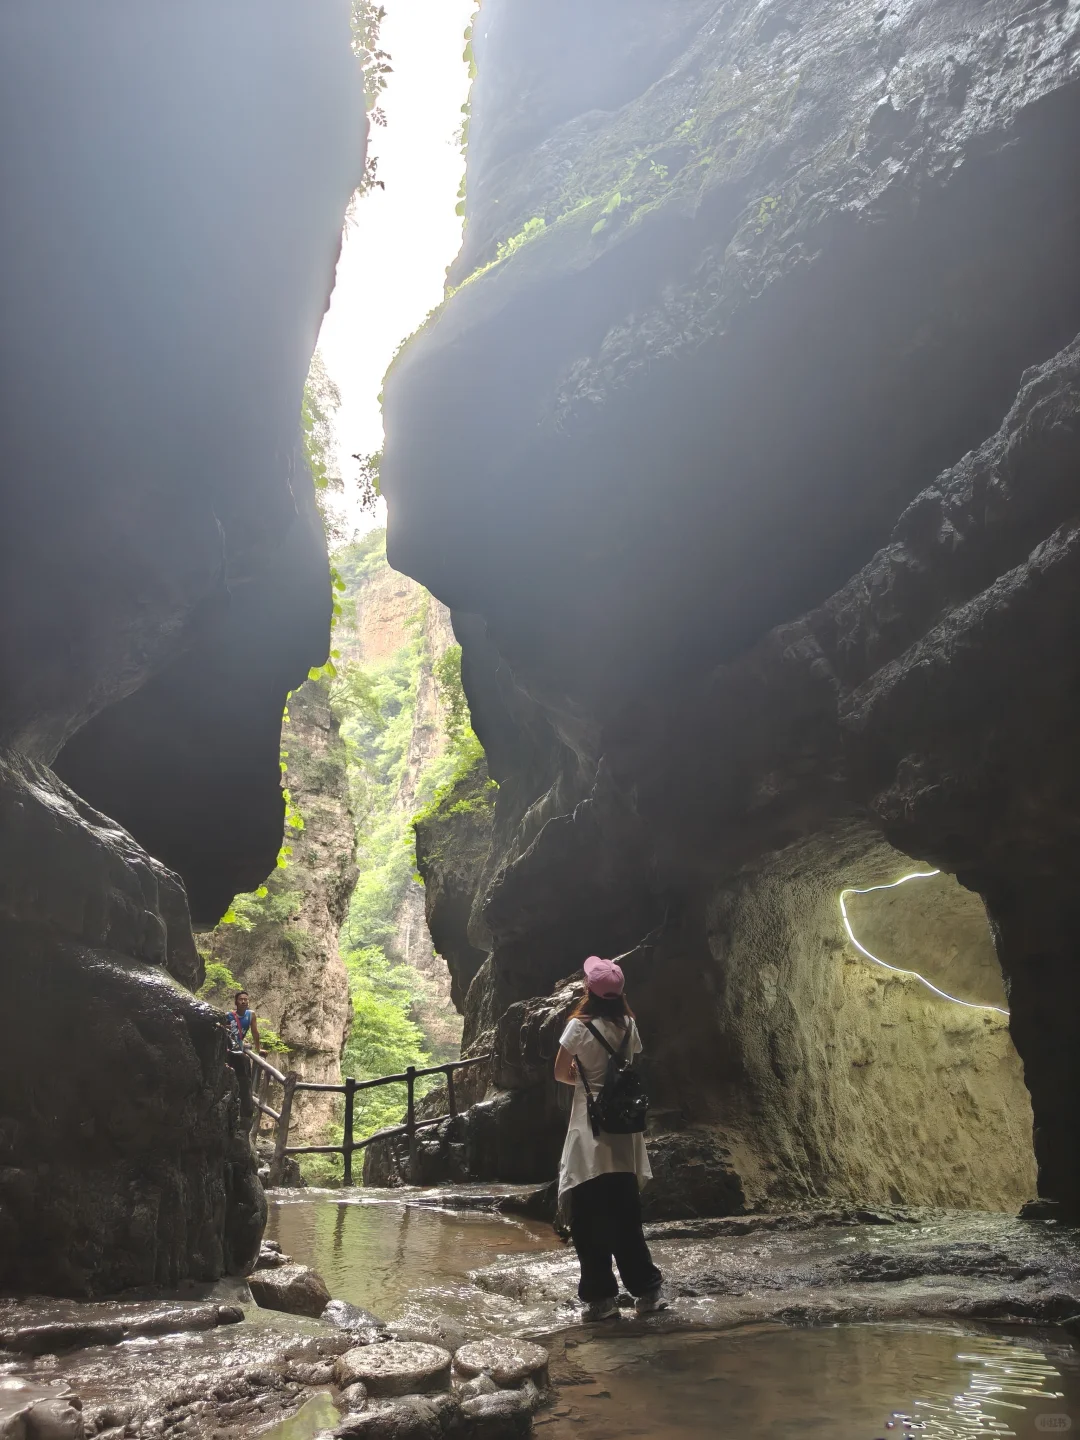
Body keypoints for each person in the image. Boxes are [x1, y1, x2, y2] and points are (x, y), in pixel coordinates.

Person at [554, 955, 663, 1321]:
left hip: (590, 1135)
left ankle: (601, 1300)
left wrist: (582, 1078)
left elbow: (560, 1074)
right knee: (627, 1217)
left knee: (588, 1219)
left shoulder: (577, 1028)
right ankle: (647, 1292)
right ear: (620, 992)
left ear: (589, 989)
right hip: (624, 1135)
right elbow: (628, 1063)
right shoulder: (629, 1025)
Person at [225, 990, 261, 1055]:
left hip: (239, 1047)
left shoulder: (251, 1014)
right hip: (227, 1048)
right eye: (241, 999)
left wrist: (258, 1050)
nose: (243, 1002)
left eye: (245, 999)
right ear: (236, 1002)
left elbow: (255, 1033)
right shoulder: (228, 1015)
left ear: (248, 1002)